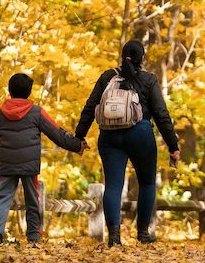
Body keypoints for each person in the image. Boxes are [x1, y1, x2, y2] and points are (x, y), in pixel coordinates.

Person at [75, 40, 181, 246]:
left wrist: (79, 136)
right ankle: (143, 233)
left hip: (109, 136)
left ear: (122, 56)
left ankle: (114, 236)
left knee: (113, 185)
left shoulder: (107, 77)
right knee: (147, 182)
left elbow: (90, 107)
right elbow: (161, 114)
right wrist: (172, 145)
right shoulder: (148, 79)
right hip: (140, 132)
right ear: (142, 58)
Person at [0, 73, 88, 244]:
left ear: (10, 91)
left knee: (3, 197)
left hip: (6, 163)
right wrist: (77, 145)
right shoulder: (36, 112)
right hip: (29, 165)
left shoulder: (1, 114)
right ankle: (33, 235)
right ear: (29, 92)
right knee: (32, 199)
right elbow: (57, 133)